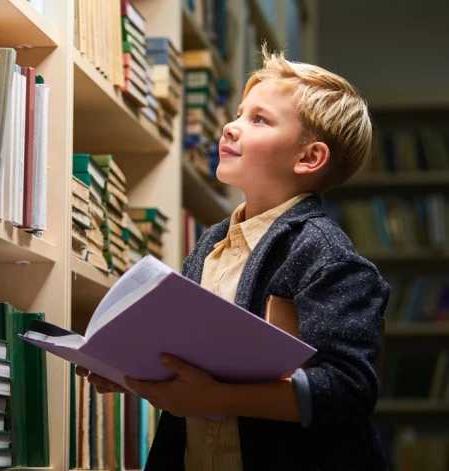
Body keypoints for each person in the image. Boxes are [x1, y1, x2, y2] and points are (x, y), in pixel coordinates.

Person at [75, 45, 390, 471]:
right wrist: (133, 369)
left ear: (309, 157)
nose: (229, 126)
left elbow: (348, 388)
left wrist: (217, 398)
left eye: (259, 119)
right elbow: (195, 362)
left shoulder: (324, 252)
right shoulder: (211, 245)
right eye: (239, 113)